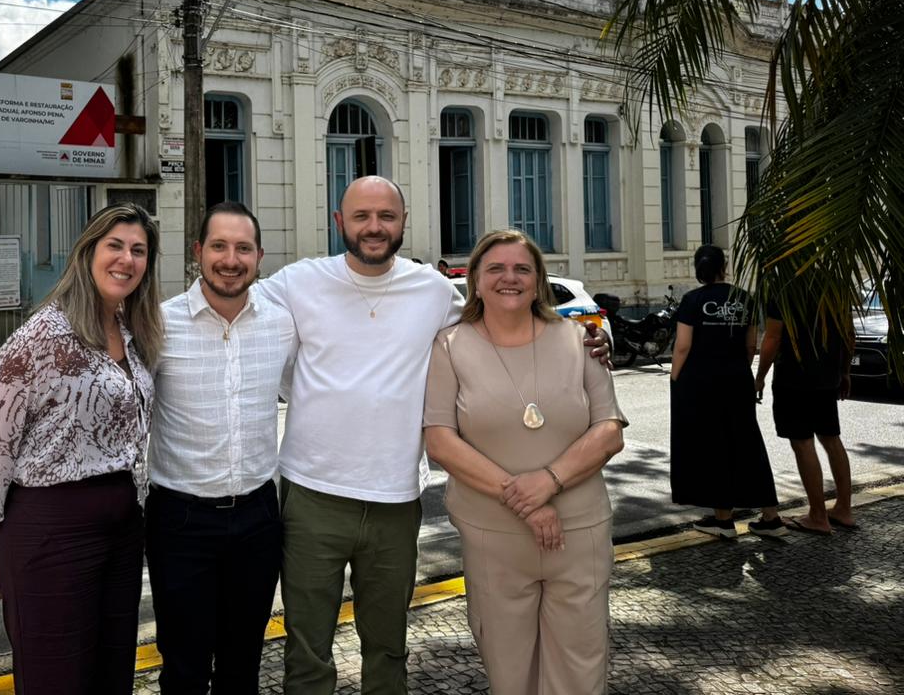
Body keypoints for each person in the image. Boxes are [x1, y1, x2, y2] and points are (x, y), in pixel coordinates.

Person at [255, 177, 611, 695]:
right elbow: (238, 312)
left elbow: (496, 325)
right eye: (361, 216)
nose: (374, 227)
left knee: (389, 645)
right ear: (340, 223)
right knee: (307, 645)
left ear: (403, 223)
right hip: (313, 494)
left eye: (386, 216)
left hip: (395, 497)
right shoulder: (297, 282)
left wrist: (586, 340)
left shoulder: (432, 290)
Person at [0, 203, 163, 695]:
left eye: (138, 250)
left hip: (123, 532)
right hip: (52, 531)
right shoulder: (43, 334)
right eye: (114, 245)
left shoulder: (131, 332)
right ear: (88, 251)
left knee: (111, 672)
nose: (126, 259)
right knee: (58, 676)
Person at [424, 229, 626, 695]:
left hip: (578, 533)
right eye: (495, 268)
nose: (508, 278)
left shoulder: (581, 340)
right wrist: (528, 501)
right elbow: (440, 440)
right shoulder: (449, 346)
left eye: (522, 269)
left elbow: (609, 430)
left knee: (581, 666)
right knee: (509, 671)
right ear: (474, 278)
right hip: (493, 535)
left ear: (539, 281)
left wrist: (549, 481)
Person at [148, 201, 297, 693]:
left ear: (259, 256)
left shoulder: (282, 325)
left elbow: (316, 393)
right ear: (198, 252)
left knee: (242, 667)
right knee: (184, 668)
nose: (230, 259)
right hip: (180, 521)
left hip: (257, 519)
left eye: (243, 248)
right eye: (219, 246)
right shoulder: (158, 325)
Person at [669, 244, 786, 539]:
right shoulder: (743, 298)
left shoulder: (692, 300)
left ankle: (724, 521)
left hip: (700, 382)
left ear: (699, 269)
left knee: (713, 447)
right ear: (725, 267)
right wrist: (739, 370)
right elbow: (751, 345)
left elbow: (683, 345)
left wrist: (674, 377)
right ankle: (770, 516)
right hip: (736, 378)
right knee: (747, 444)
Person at [754, 287, 856, 534]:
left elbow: (773, 337)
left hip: (794, 378)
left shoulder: (784, 290)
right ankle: (843, 509)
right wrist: (844, 371)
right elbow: (848, 334)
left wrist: (760, 377)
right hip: (827, 376)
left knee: (803, 443)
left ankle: (818, 516)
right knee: (831, 439)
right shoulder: (832, 286)